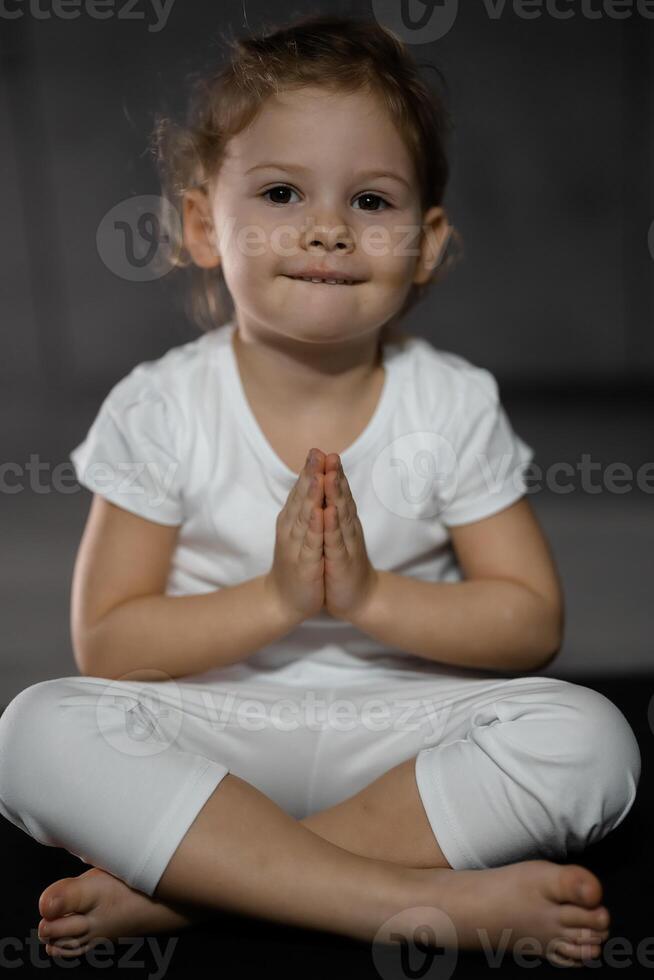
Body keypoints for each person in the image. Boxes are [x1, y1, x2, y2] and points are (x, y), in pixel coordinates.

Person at [0, 13, 640, 968]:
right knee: (33, 731)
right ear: (202, 224)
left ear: (425, 244)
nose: (329, 228)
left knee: (591, 741)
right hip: (218, 733)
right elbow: (112, 642)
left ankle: (195, 895)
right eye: (283, 190)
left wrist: (371, 598)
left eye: (372, 202)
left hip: (397, 733)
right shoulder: (163, 404)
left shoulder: (451, 400)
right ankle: (397, 898)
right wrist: (278, 600)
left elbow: (528, 622)